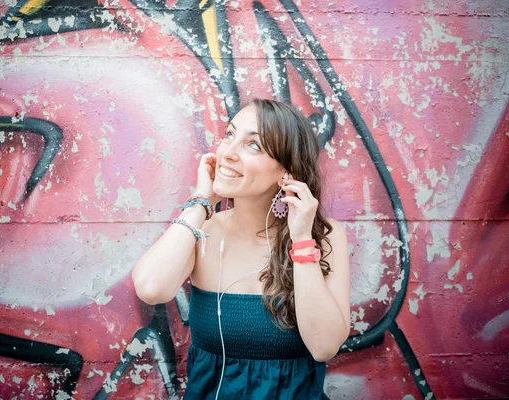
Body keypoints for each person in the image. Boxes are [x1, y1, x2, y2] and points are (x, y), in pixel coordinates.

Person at [132, 98, 351, 399]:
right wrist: (200, 201)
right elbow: (150, 288)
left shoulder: (324, 236)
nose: (228, 153)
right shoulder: (201, 231)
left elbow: (324, 346)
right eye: (229, 135)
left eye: (253, 146)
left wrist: (301, 241)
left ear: (285, 172)